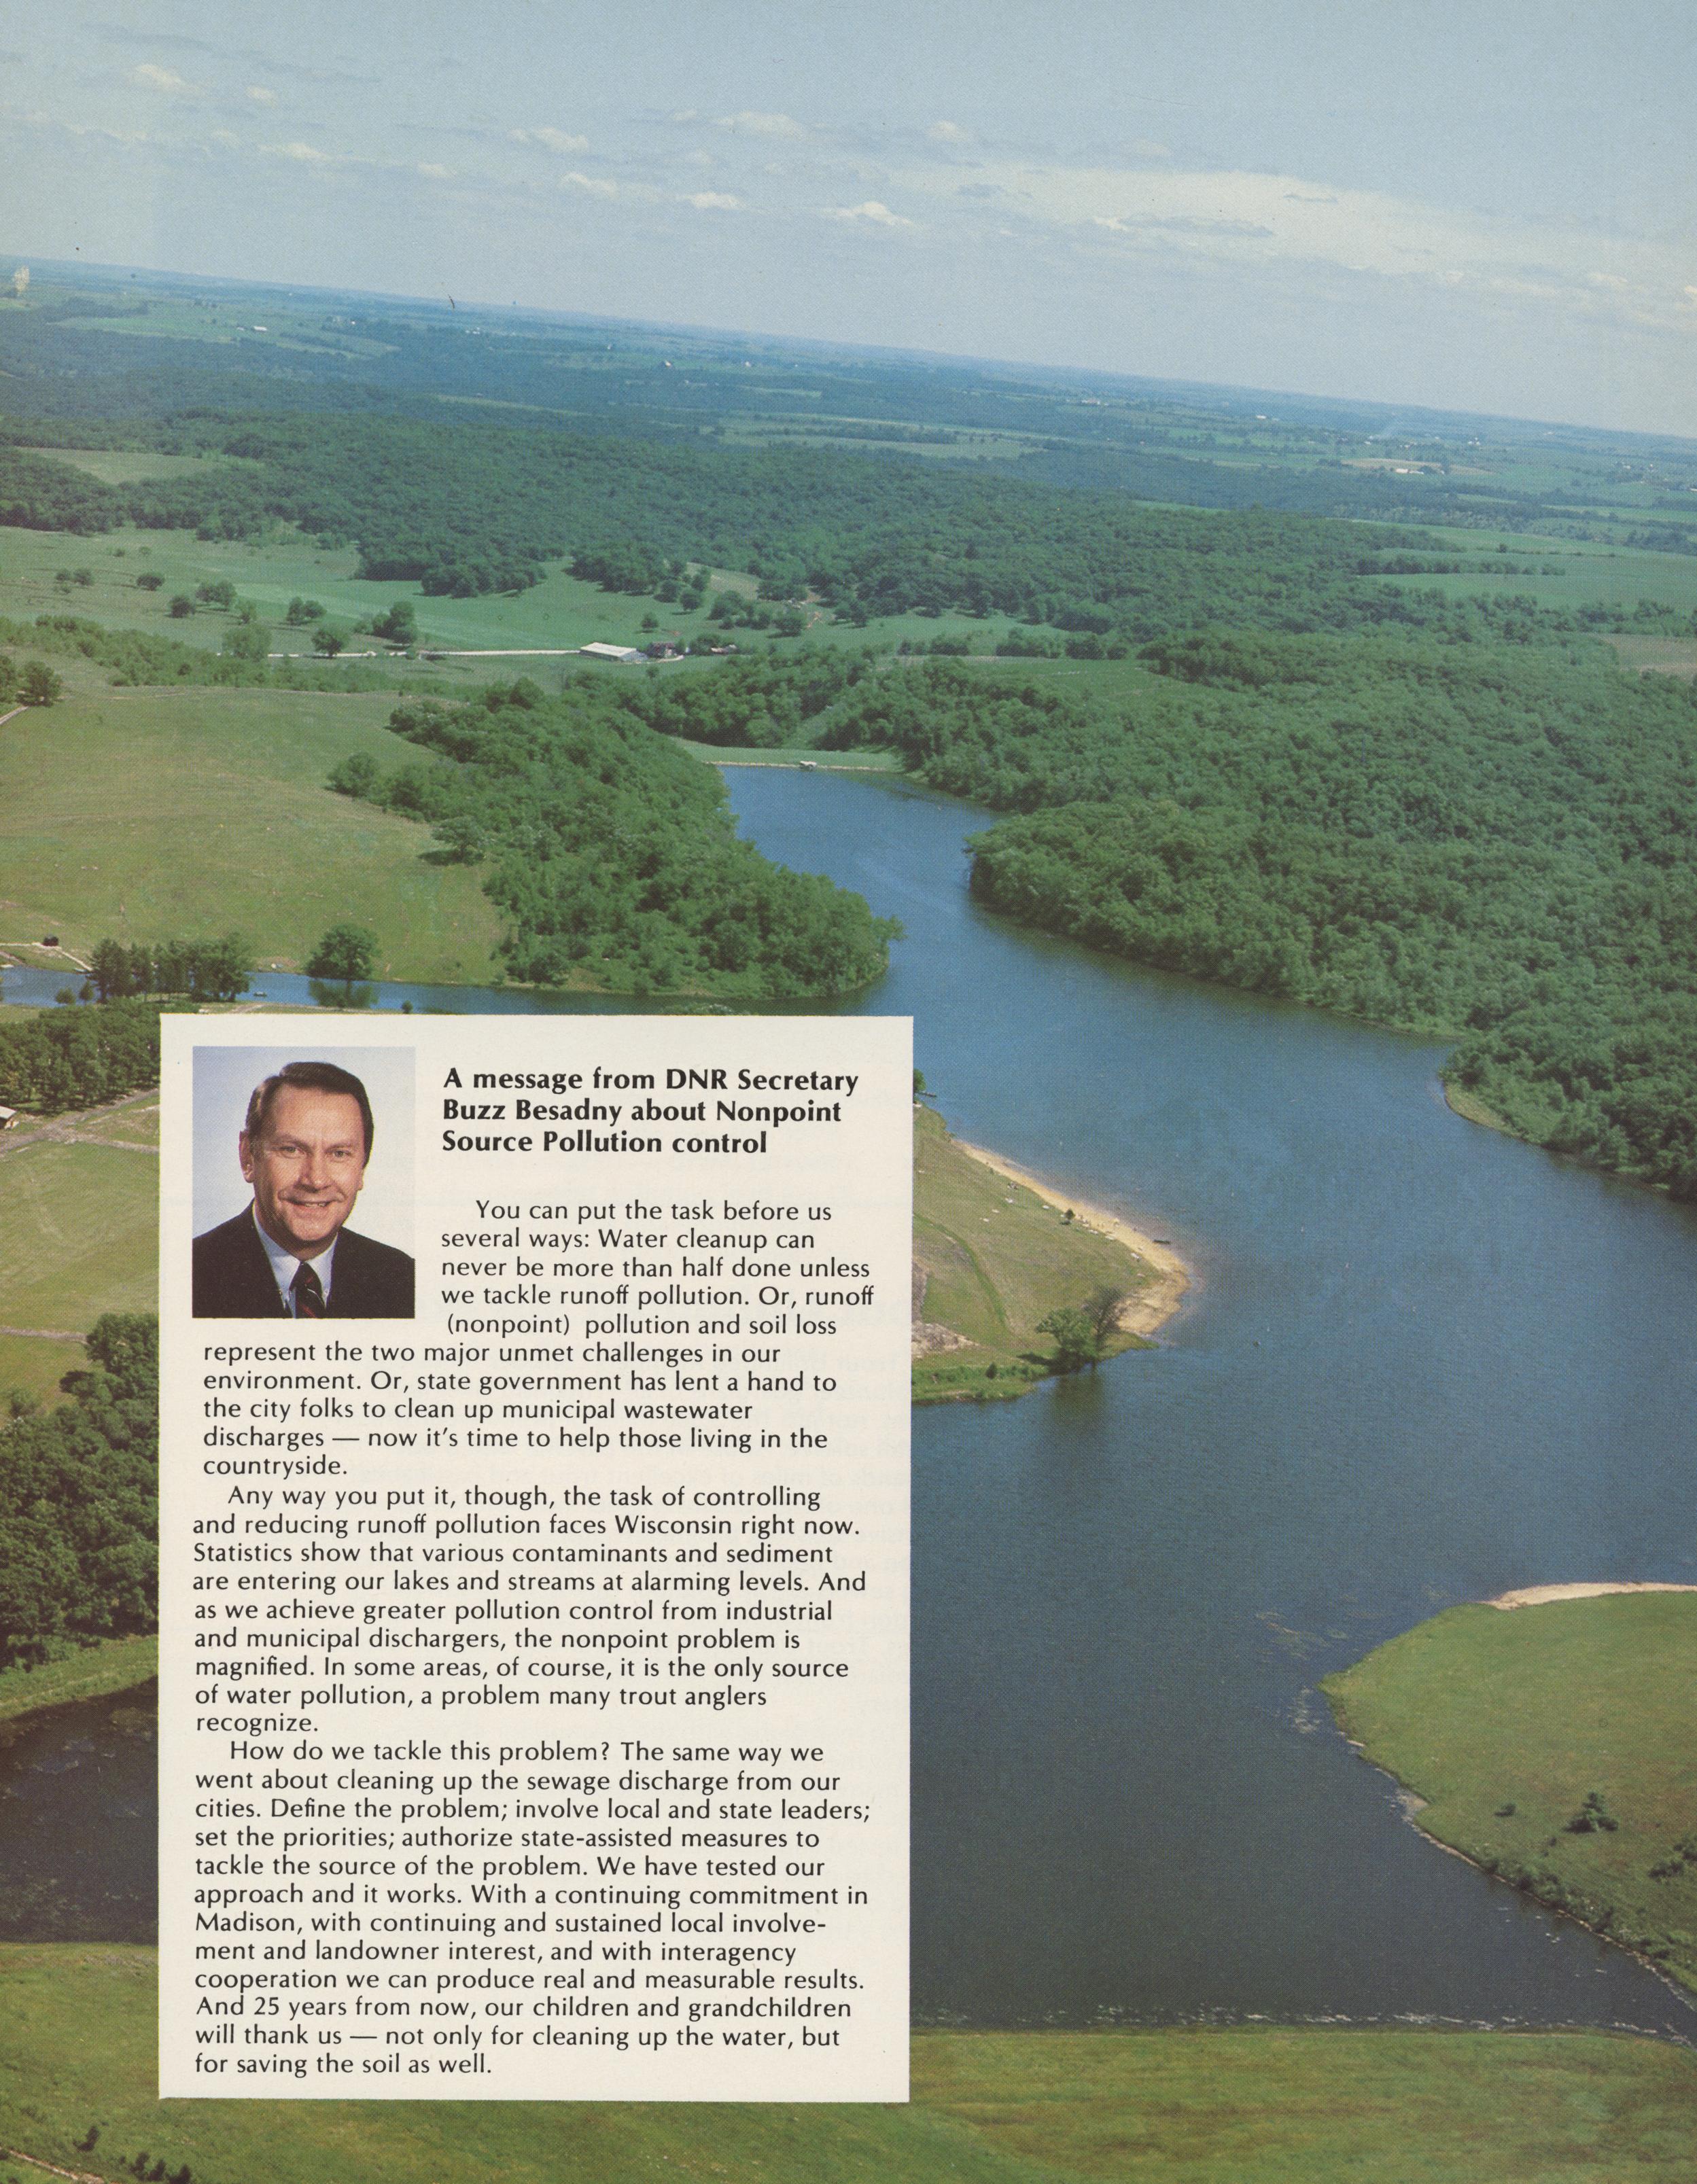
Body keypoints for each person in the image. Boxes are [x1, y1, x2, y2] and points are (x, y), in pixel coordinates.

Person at [192, 1059, 414, 1318]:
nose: (316, 1180)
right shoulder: (191, 1274)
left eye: (339, 1154)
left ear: (362, 1168)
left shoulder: (403, 1280)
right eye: (291, 1150)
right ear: (248, 1156)